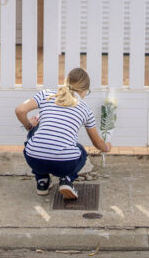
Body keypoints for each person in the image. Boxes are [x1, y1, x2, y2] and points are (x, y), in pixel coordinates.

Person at [15, 68, 111, 200]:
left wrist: (30, 127)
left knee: (34, 136)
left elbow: (20, 110)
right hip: (64, 163)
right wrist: (106, 147)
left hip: (34, 159)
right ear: (84, 90)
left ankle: (42, 181)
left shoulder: (46, 94)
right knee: (81, 152)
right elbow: (96, 142)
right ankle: (66, 179)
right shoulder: (85, 109)